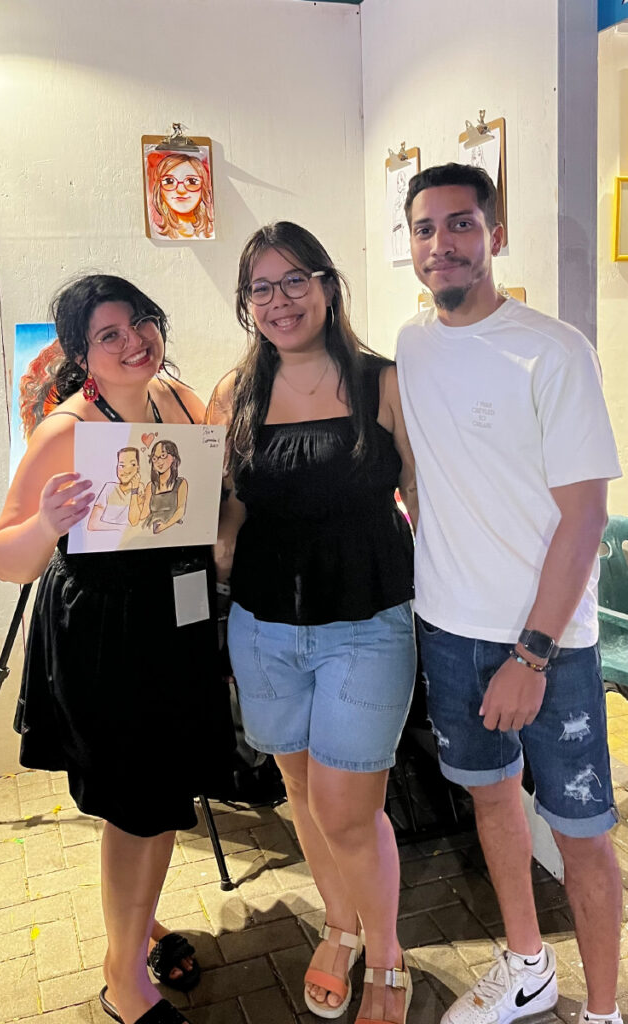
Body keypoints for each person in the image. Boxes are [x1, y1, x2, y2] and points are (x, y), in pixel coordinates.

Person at [396, 162, 623, 1024]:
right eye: (424, 228)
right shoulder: (411, 345)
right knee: (491, 800)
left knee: (581, 830)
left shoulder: (551, 349)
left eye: (460, 224)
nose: (441, 243)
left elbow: (584, 516)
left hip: (548, 641)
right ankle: (528, 967)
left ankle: (602, 1011)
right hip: (449, 627)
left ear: (493, 234)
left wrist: (530, 655)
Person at [0, 274, 234, 1024]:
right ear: (80, 354)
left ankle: (138, 929)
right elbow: (5, 557)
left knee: (157, 794)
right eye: (109, 335)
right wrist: (45, 524)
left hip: (178, 622)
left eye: (141, 323)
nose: (134, 342)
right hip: (106, 633)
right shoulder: (65, 431)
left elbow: (210, 502)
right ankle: (122, 979)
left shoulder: (178, 401)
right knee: (137, 807)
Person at [207, 222, 418, 1024]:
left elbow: (422, 496)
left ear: (328, 285)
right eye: (260, 287)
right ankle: (339, 926)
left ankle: (387, 956)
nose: (279, 300)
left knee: (348, 809)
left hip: (365, 622)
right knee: (297, 786)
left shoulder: (381, 382)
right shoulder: (234, 393)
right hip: (263, 628)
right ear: (246, 303)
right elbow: (231, 502)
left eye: (295, 279)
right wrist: (213, 545)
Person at [149, 152, 214, 240]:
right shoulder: (156, 233)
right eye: (169, 181)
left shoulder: (210, 231)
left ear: (203, 187)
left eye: (192, 181)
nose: (181, 190)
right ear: (159, 189)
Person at [88, 447, 144, 531]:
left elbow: (134, 522)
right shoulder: (109, 488)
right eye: (122, 465)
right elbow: (92, 524)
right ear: (116, 467)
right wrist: (122, 528)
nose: (126, 470)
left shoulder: (140, 489)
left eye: (132, 464)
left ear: (138, 468)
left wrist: (134, 490)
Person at [141, 440, 187, 533]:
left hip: (172, 529)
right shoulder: (150, 486)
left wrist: (165, 526)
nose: (159, 461)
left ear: (173, 457)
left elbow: (180, 510)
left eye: (163, 455)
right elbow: (145, 513)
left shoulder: (181, 483)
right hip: (151, 528)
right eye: (155, 458)